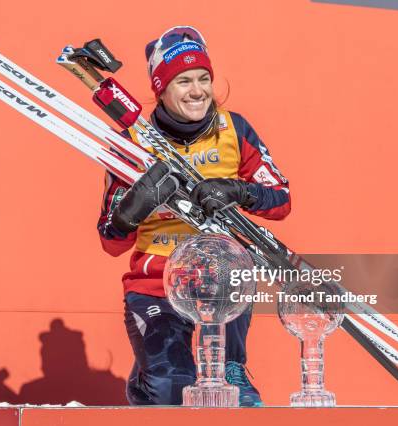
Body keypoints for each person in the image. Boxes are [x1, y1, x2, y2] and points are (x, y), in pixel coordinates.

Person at [97, 26, 291, 406]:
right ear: (161, 89)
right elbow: (109, 241)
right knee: (174, 392)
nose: (198, 90)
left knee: (236, 400)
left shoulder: (234, 129)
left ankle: (232, 364)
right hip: (157, 286)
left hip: (220, 285)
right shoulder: (133, 142)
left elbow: (281, 201)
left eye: (204, 78)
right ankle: (150, 380)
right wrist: (135, 206)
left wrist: (239, 191)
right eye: (183, 81)